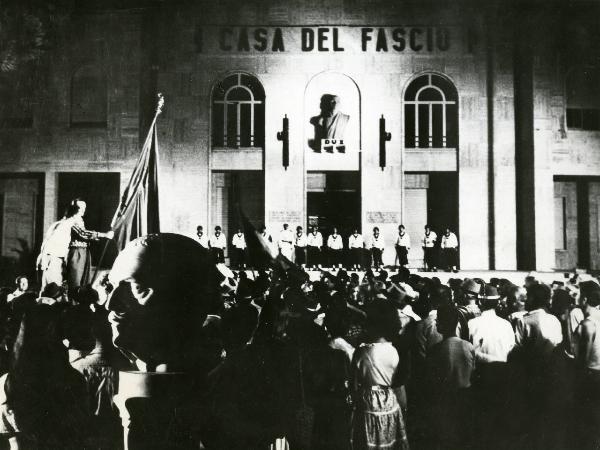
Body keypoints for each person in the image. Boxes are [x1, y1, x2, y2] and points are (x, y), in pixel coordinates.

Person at [351, 299, 409, 450]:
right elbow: (398, 384)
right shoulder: (395, 351)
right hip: (390, 401)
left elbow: (353, 384)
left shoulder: (362, 352)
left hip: (368, 403)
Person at [426, 304, 475, 449]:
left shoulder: (435, 350)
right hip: (465, 399)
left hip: (444, 401)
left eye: (438, 320)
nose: (436, 323)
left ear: (441, 323)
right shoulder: (468, 346)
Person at [66, 199, 113, 295]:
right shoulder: (71, 220)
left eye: (84, 208)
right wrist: (104, 235)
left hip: (84, 251)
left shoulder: (80, 219)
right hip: (77, 252)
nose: (82, 210)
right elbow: (82, 233)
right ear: (74, 209)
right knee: (76, 281)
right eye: (80, 208)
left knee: (85, 280)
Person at [37, 215, 75, 292]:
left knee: (48, 287)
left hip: (50, 259)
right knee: (52, 288)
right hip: (53, 259)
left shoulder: (58, 224)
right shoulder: (65, 225)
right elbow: (49, 244)